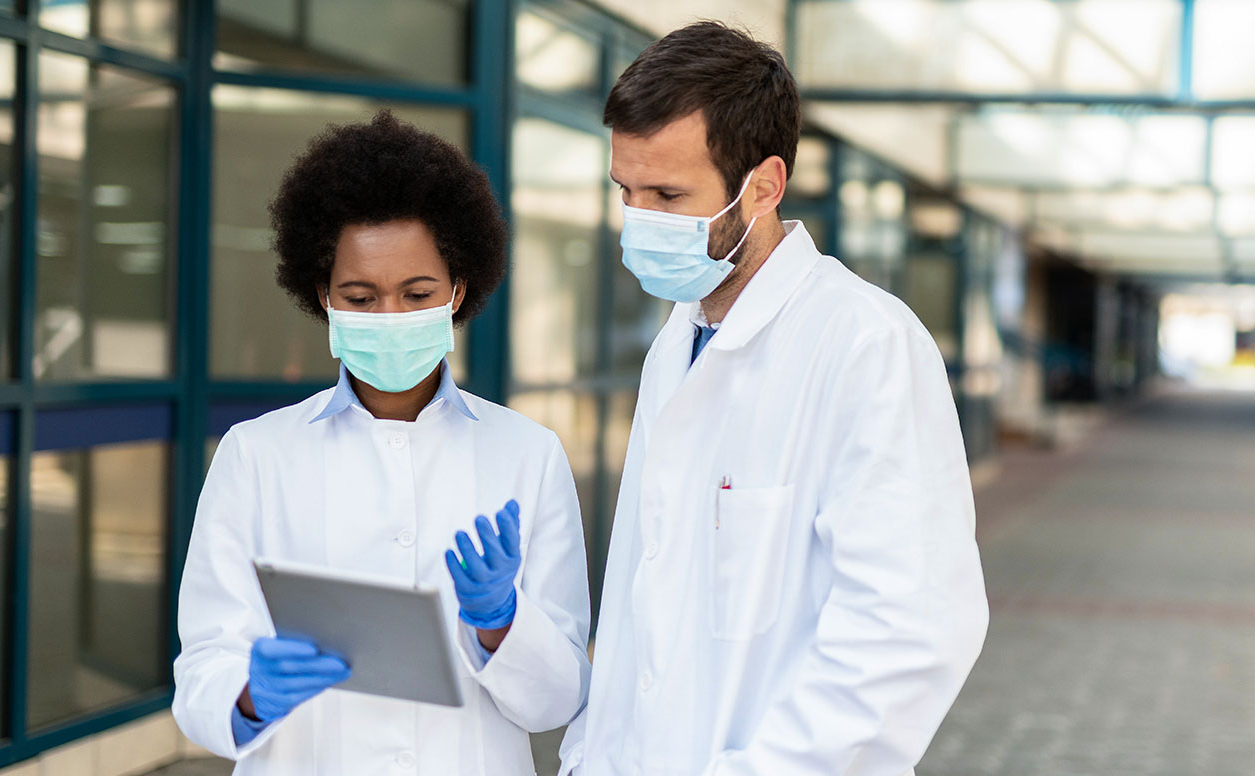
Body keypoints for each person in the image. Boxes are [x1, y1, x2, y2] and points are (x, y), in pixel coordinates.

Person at [558, 22, 989, 776]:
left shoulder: (865, 344)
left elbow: (910, 629)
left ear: (764, 186)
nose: (641, 220)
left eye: (669, 194)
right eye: (627, 191)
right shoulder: (679, 339)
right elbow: (646, 601)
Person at [172, 112, 591, 775]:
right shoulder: (256, 455)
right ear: (323, 296)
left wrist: (502, 623)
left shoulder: (528, 453)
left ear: (457, 289)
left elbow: (559, 699)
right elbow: (200, 676)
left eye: (416, 292)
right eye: (361, 296)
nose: (389, 317)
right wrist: (249, 693)